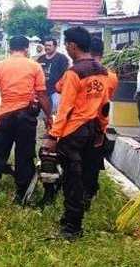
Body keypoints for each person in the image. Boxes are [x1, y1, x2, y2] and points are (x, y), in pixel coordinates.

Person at [41, 26, 112, 240]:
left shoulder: (74, 73)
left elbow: (65, 108)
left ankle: (72, 227)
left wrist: (53, 137)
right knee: (85, 177)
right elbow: (105, 104)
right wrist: (102, 128)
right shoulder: (103, 71)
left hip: (74, 132)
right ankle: (72, 219)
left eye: (66, 45)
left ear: (72, 46)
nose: (66, 49)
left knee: (73, 178)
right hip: (93, 130)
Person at [0, 36, 52, 207]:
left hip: (6, 117)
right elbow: (42, 94)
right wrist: (48, 116)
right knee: (24, 156)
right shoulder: (34, 66)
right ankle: (21, 196)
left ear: (10, 48)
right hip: (26, 118)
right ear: (26, 48)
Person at [84, 36, 118, 207]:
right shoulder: (112, 76)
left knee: (78, 160)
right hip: (100, 124)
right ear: (103, 53)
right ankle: (89, 193)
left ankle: (79, 192)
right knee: (93, 161)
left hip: (81, 123)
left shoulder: (79, 72)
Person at [36, 37, 70, 116]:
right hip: (43, 91)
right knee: (44, 114)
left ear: (55, 46)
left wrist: (60, 87)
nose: (47, 47)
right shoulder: (41, 59)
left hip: (56, 91)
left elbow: (66, 74)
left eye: (49, 45)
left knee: (56, 113)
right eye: (45, 45)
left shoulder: (62, 58)